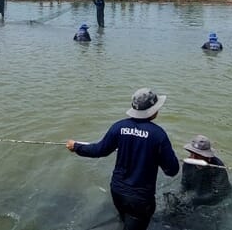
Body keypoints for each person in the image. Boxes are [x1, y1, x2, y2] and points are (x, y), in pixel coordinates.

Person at [66, 88, 179, 230]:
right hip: (140, 199)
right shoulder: (158, 135)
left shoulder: (118, 127)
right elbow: (172, 170)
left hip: (117, 191)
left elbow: (99, 150)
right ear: (153, 111)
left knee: (125, 221)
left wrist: (76, 146)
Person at [181, 135, 232, 206]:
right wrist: (181, 196)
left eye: (197, 155)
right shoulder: (188, 163)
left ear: (207, 157)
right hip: (198, 192)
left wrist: (195, 200)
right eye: (192, 153)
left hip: (217, 200)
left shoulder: (217, 167)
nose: (193, 157)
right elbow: (184, 183)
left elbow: (219, 194)